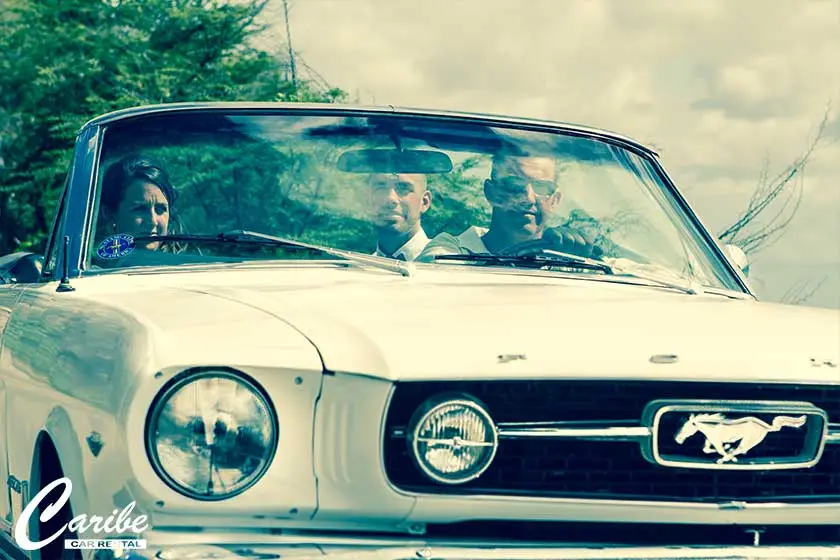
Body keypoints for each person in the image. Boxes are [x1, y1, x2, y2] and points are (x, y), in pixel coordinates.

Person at [417, 152, 599, 261]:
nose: (529, 198)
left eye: (542, 187)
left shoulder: (575, 261)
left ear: (555, 200)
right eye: (514, 185)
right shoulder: (449, 253)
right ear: (490, 192)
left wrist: (578, 262)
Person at [97, 153, 179, 252]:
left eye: (160, 210)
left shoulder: (190, 264)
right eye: (139, 209)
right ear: (109, 214)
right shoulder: (87, 264)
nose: (152, 221)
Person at [367, 172, 432, 261]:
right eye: (380, 188)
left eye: (403, 188)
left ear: (424, 202)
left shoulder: (450, 267)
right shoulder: (357, 271)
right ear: (368, 200)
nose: (390, 198)